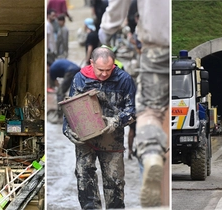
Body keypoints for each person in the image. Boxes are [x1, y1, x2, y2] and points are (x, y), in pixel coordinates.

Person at [98, 0, 169, 207]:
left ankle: (151, 153)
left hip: (155, 49)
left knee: (149, 112)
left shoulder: (124, 77)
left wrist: (106, 29)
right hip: (165, 44)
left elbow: (118, 5)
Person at [62, 47, 136, 209]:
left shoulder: (124, 80)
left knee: (114, 182)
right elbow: (69, 109)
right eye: (100, 70)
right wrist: (68, 130)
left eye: (108, 70)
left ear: (114, 65)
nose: (104, 74)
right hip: (85, 138)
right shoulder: (80, 78)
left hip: (111, 140)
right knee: (84, 178)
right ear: (92, 63)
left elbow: (132, 111)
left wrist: (114, 122)